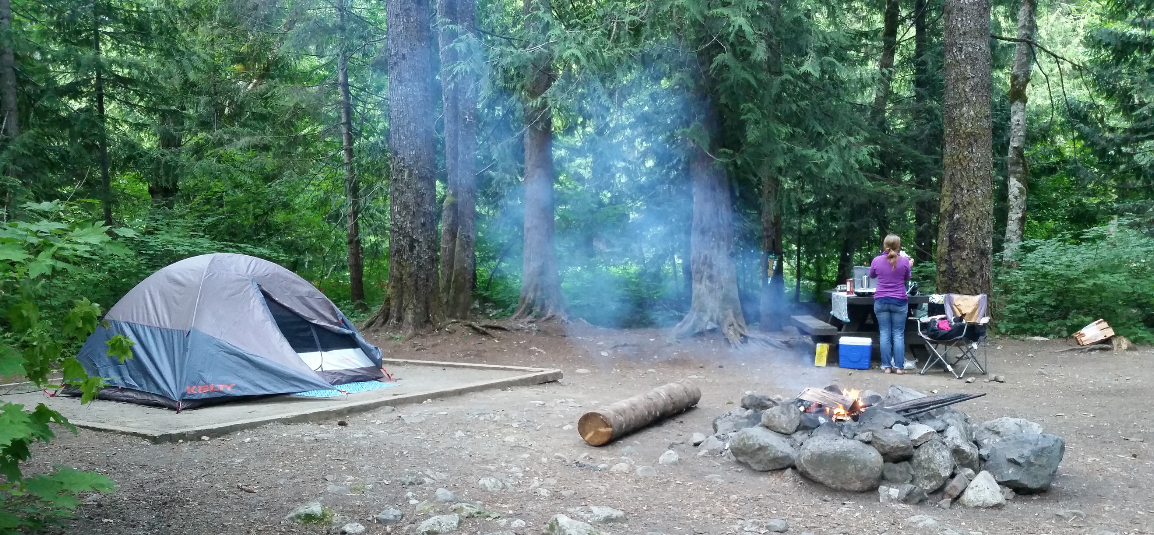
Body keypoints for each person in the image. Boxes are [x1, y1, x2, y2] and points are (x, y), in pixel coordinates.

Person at [869, 234, 912, 374]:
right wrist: (909, 266)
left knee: (884, 333)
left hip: (881, 300)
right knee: (898, 333)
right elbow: (907, 278)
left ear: (884, 245)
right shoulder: (904, 261)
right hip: (899, 300)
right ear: (898, 246)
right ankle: (899, 367)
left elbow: (871, 275)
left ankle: (886, 366)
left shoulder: (876, 260)